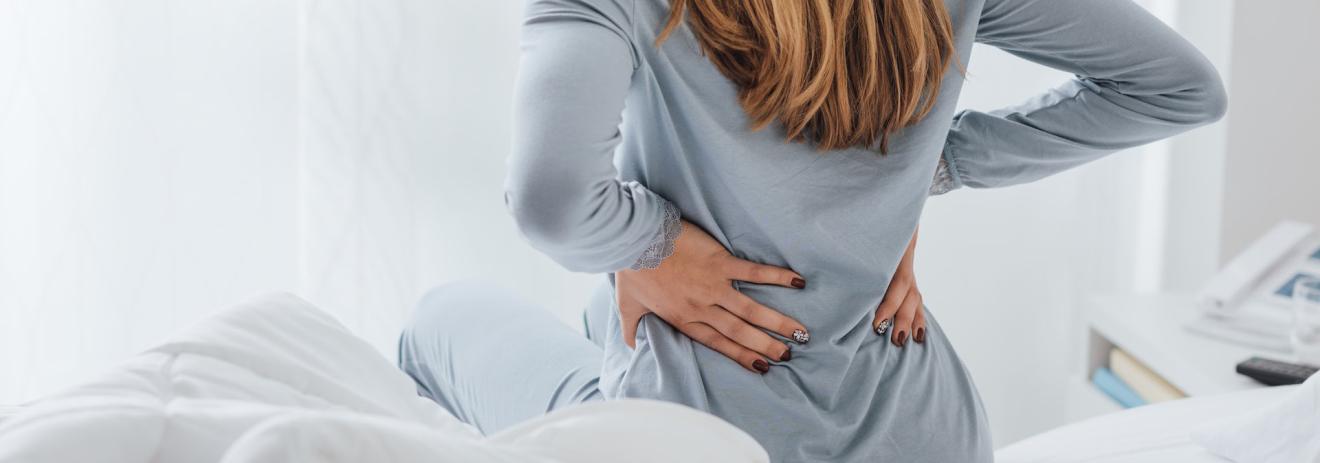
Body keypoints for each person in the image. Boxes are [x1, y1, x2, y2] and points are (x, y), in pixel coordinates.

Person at [399, 0, 1226, 460]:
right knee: (596, 315)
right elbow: (1181, 88)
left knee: (438, 318)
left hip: (694, 437)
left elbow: (550, 198)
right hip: (926, 437)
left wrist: (652, 245)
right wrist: (930, 169)